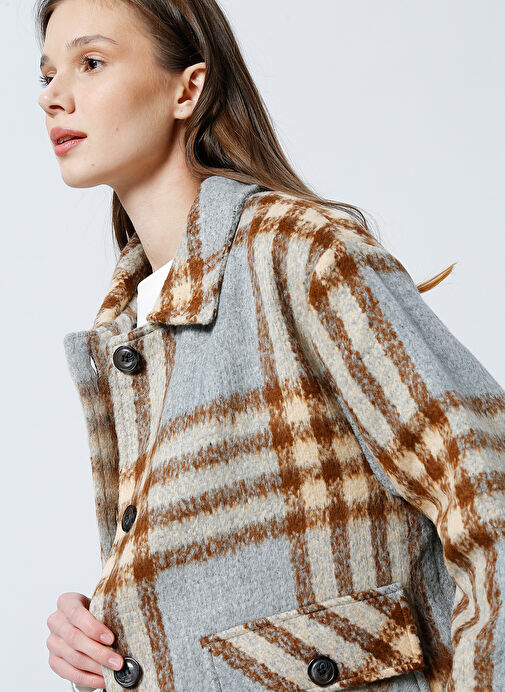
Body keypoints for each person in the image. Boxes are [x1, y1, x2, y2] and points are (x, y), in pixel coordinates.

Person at [36, 1, 505, 691]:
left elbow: (487, 492)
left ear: (187, 90)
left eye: (91, 62)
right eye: (47, 73)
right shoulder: (130, 323)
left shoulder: (300, 254)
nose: (53, 95)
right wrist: (109, 634)